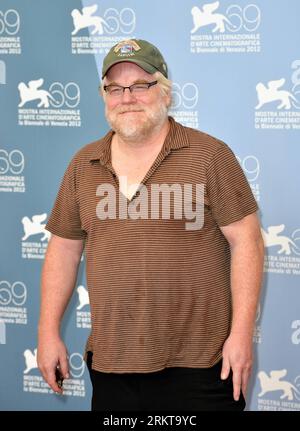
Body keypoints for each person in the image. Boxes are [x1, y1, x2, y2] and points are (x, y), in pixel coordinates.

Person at [37, 38, 264, 411]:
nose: (127, 97)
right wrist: (47, 332)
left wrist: (241, 335)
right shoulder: (84, 164)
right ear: (104, 96)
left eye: (140, 85)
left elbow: (247, 242)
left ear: (166, 92)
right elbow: (63, 249)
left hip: (203, 365)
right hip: (113, 363)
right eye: (115, 88)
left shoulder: (210, 156)